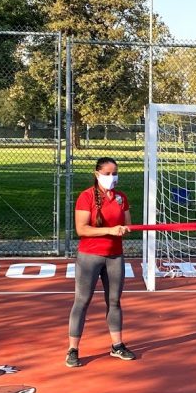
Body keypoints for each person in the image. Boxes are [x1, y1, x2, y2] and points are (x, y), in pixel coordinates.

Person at [66, 157, 134, 368]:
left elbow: (128, 224)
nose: (111, 178)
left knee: (114, 301)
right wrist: (109, 230)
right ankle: (73, 349)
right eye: (107, 174)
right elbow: (82, 229)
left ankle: (117, 345)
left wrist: (125, 229)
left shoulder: (121, 197)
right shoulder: (86, 197)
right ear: (97, 174)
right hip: (90, 256)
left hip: (115, 256)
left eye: (114, 173)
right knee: (82, 301)